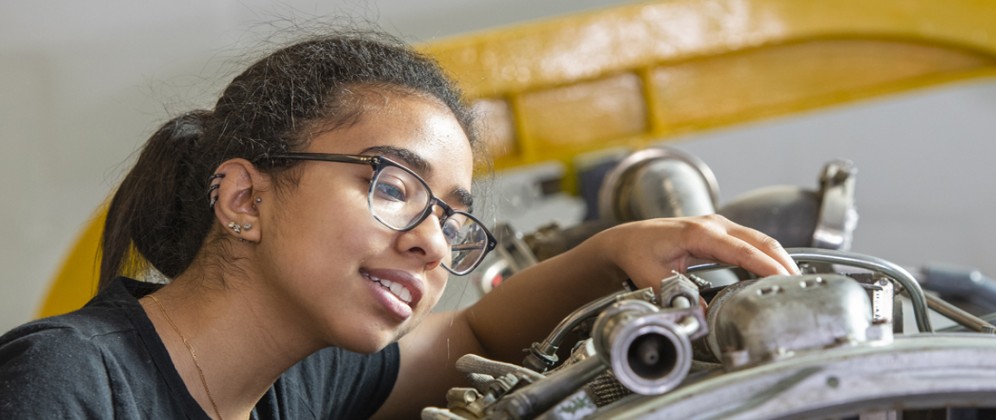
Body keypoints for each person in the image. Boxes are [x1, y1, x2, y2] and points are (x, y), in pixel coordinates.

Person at [0, 32, 797, 419]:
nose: (434, 242)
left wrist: (618, 250)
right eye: (394, 186)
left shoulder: (290, 386)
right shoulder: (68, 381)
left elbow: (476, 332)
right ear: (244, 199)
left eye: (453, 219)